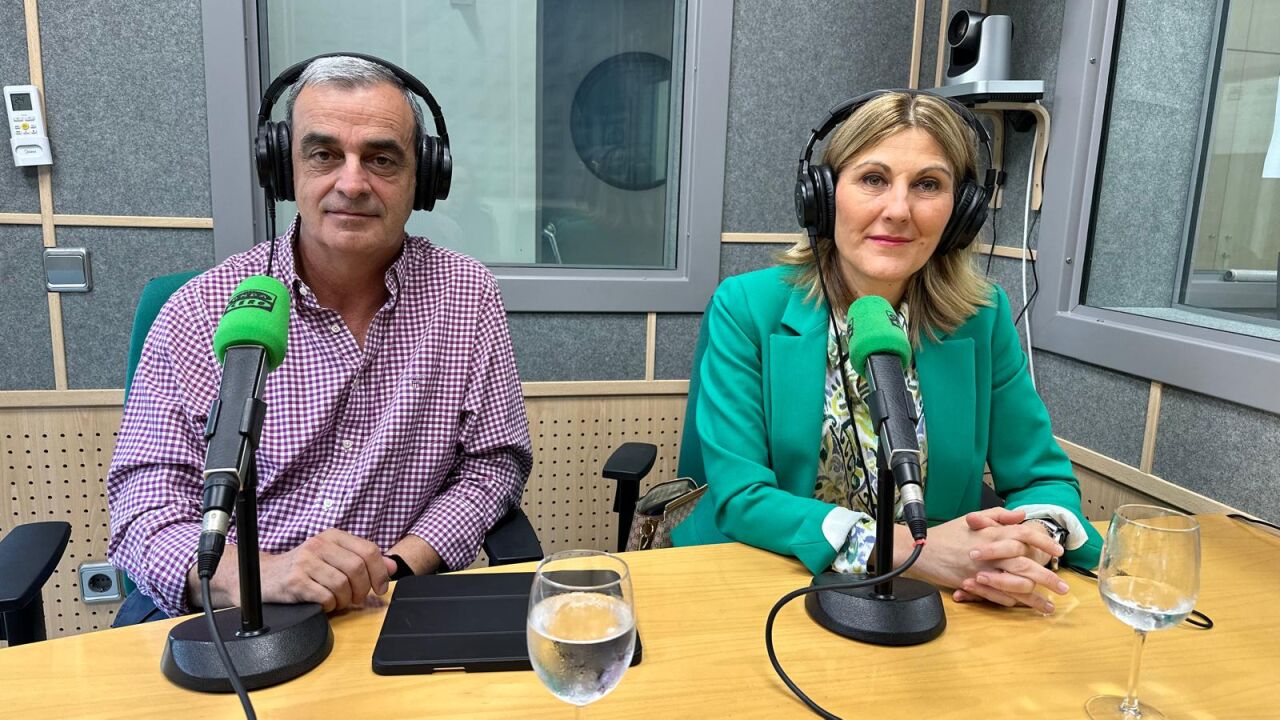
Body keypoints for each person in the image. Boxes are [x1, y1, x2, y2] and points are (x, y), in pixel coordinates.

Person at [107, 55, 532, 622]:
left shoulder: (466, 295)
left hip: (388, 605)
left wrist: (398, 565)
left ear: (424, 179)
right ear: (285, 170)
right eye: (324, 155)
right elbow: (142, 509)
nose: (352, 184)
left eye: (381, 159)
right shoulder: (201, 309)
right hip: (237, 611)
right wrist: (257, 574)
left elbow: (492, 466)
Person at [671, 91, 1102, 614]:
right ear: (824, 196)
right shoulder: (747, 307)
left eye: (928, 185)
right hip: (768, 583)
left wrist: (1027, 541)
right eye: (873, 179)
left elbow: (1042, 477)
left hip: (937, 600)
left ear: (962, 211)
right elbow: (742, 496)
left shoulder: (983, 316)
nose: (898, 210)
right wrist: (914, 552)